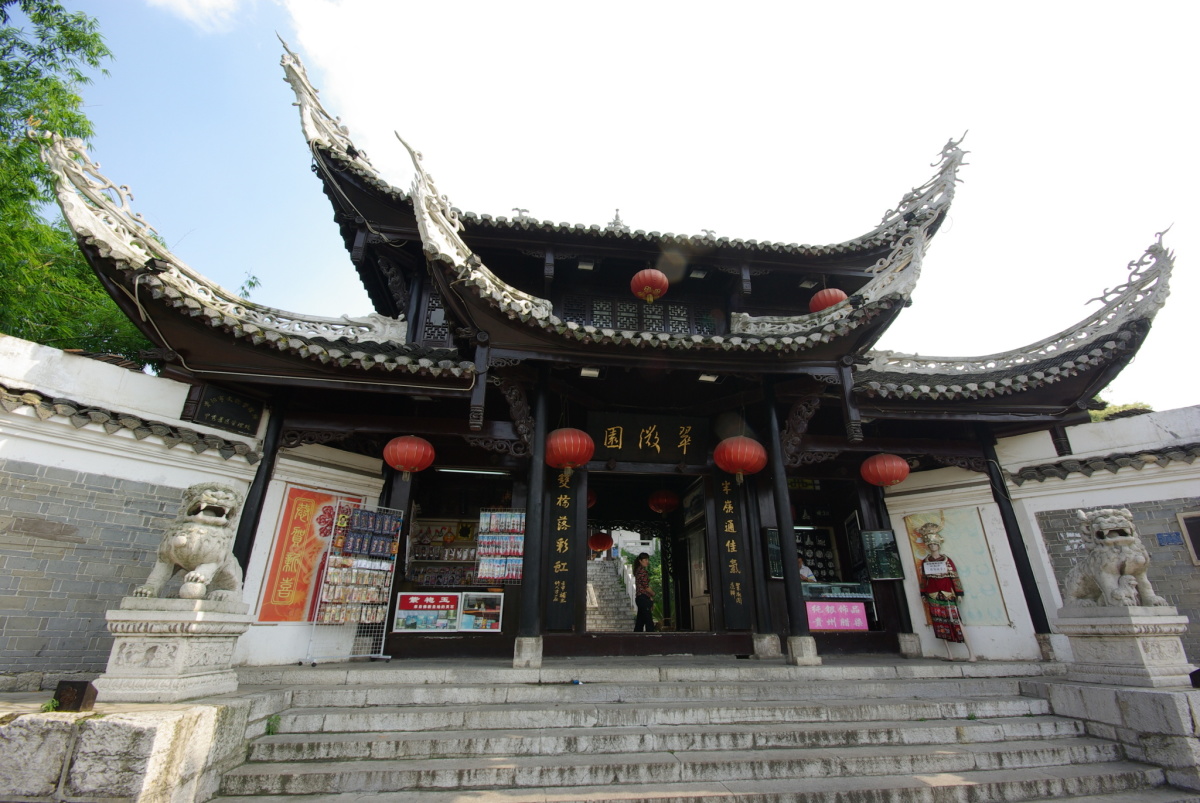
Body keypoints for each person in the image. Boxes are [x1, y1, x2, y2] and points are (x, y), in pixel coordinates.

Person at [916, 524, 975, 662]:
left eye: (934, 544)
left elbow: (954, 576)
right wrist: (923, 593)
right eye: (930, 544)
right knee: (939, 623)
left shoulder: (946, 560)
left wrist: (959, 593)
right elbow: (923, 579)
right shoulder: (926, 561)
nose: (932, 546)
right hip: (933, 594)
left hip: (947, 593)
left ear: (938, 544)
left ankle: (971, 653)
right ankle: (949, 653)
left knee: (956, 620)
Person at [633, 552, 656, 632]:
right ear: (640, 561)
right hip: (643, 598)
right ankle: (651, 636)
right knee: (648, 621)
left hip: (640, 598)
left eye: (647, 560)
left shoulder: (638, 570)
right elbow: (646, 587)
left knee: (640, 621)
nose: (647, 561)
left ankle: (636, 636)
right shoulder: (642, 571)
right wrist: (653, 593)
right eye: (645, 560)